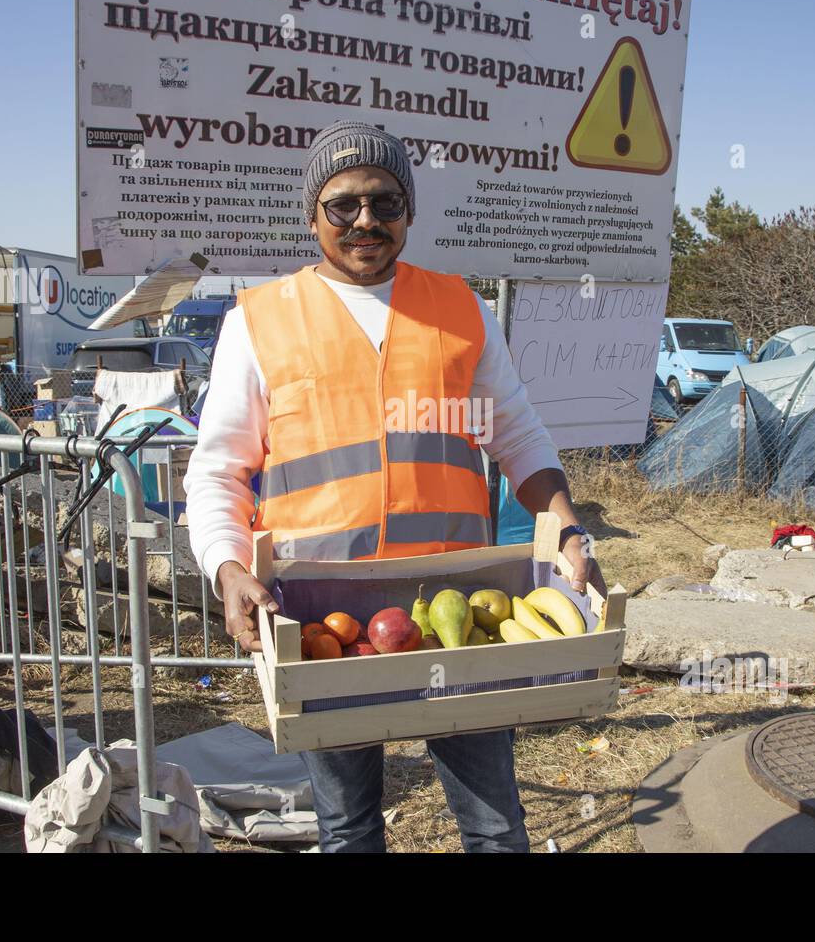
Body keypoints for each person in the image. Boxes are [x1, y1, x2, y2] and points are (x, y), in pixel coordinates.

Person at [183, 119, 603, 853]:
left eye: (385, 201)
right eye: (343, 204)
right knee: (347, 827)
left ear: (410, 210)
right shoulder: (258, 321)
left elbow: (519, 435)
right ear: (312, 214)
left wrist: (567, 528)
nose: (366, 221)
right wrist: (226, 568)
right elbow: (219, 467)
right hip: (323, 620)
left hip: (459, 610)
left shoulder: (459, 308)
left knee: (496, 824)